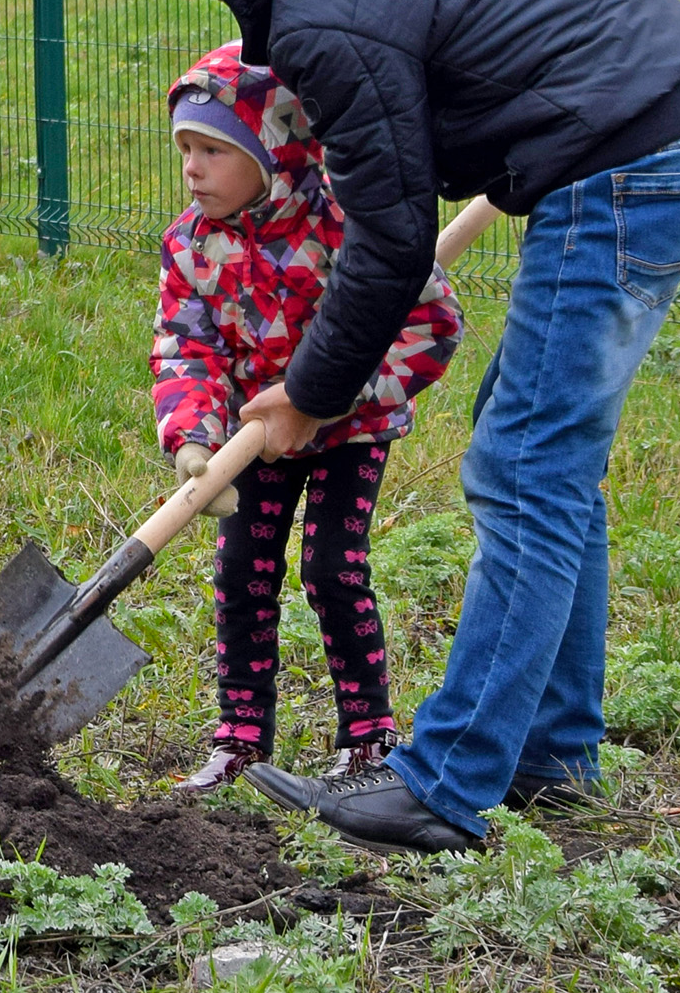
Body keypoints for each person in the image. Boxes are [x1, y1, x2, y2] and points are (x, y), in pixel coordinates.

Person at [122, 0, 680, 853]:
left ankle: (447, 784)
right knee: (546, 452)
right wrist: (554, 64)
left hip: (624, 164)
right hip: (669, 122)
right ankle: (553, 750)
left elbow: (392, 242)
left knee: (524, 468)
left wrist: (312, 393)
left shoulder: (321, 19)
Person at [152, 41, 461, 795]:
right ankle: (240, 739)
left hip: (348, 431)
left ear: (276, 151)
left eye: (213, 151)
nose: (192, 167)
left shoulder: (348, 228)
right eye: (185, 148)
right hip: (254, 436)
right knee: (240, 573)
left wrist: (337, 397)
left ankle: (367, 736)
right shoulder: (191, 245)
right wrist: (193, 437)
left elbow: (432, 328)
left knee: (331, 568)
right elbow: (184, 348)